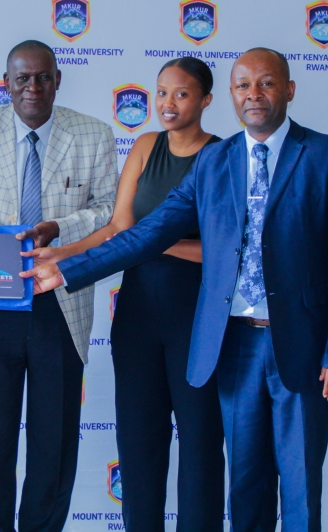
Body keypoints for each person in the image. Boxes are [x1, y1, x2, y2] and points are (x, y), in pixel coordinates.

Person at [23, 48, 328, 532]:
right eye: (243, 85)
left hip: (304, 346)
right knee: (245, 483)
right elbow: (148, 231)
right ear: (231, 95)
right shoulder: (216, 162)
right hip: (235, 346)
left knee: (299, 487)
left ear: (289, 90)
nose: (254, 94)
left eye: (267, 83)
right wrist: (67, 270)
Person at [24, 57, 225, 531]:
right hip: (137, 318)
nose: (168, 104)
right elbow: (118, 228)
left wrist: (154, 242)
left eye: (181, 94)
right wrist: (61, 254)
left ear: (206, 100)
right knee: (138, 446)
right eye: (162, 93)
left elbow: (224, 250)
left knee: (200, 446)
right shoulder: (145, 145)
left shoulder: (222, 156)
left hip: (198, 321)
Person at [0, 40, 118, 532]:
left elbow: (109, 209)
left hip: (61, 302)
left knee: (53, 443)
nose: (32, 88)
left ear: (57, 80)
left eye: (42, 77)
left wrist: (59, 228)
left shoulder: (94, 134)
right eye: (22, 79)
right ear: (6, 83)